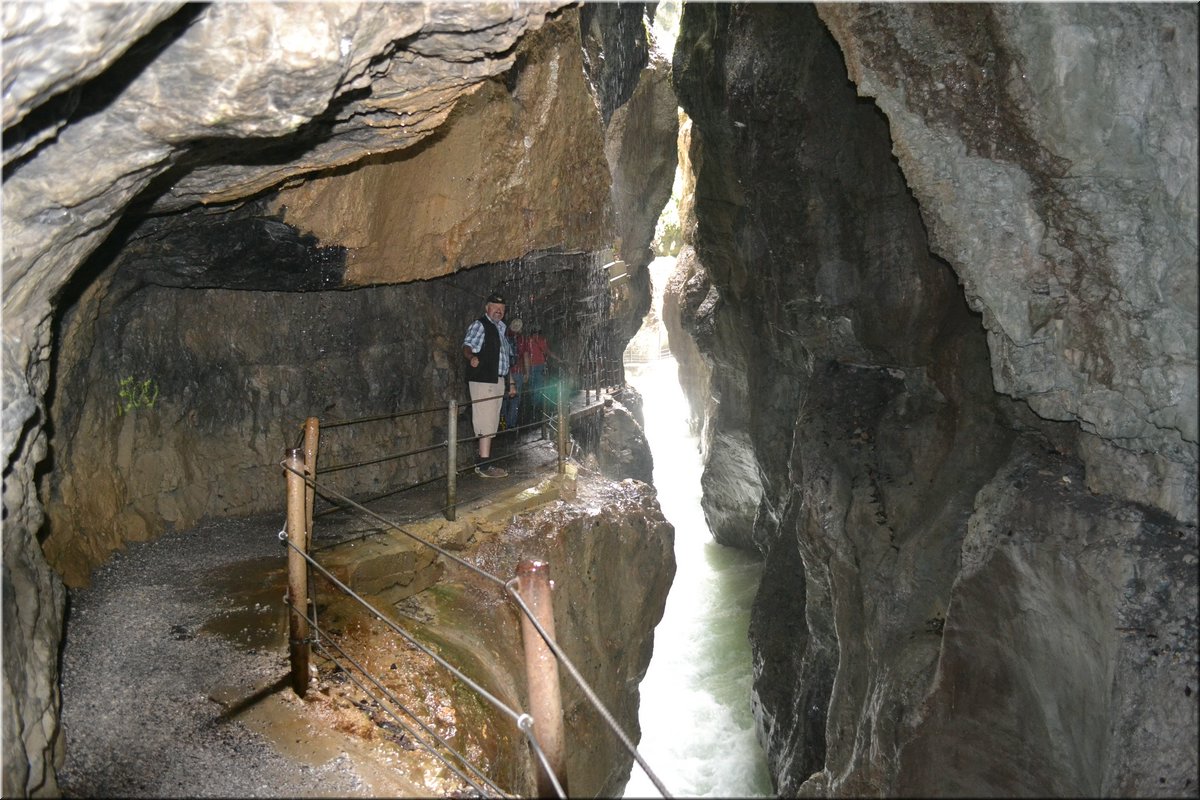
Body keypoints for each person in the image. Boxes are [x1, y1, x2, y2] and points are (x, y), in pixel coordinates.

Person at [462, 292, 518, 478]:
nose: (499, 311)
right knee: (485, 421)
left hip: (497, 379)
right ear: (487, 308)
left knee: (492, 420)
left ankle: (485, 461)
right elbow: (467, 345)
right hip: (483, 379)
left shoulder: (501, 329)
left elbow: (504, 361)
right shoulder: (481, 325)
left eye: (502, 309)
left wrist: (510, 383)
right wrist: (471, 358)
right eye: (495, 307)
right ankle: (483, 465)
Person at [519, 323, 552, 418]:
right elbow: (547, 352)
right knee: (536, 386)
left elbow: (546, 351)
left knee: (536, 386)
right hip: (534, 366)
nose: (536, 335)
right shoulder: (533, 341)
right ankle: (535, 406)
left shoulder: (530, 341)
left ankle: (534, 406)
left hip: (535, 366)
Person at [501, 318, 524, 432]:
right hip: (517, 371)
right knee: (515, 399)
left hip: (504, 372)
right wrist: (527, 372)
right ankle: (511, 424)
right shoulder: (520, 339)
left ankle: (503, 423)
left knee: (504, 399)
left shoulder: (504, 337)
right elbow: (524, 355)